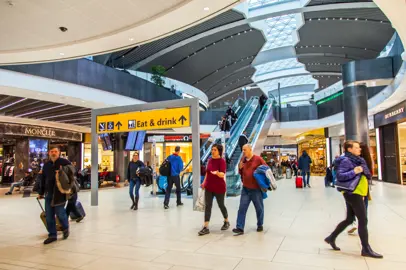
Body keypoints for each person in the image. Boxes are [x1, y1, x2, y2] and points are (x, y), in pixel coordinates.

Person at [324, 140, 383, 259]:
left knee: (350, 219)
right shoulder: (347, 160)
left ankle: (331, 237)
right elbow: (340, 176)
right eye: (356, 148)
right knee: (363, 220)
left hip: (357, 192)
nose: (359, 149)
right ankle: (366, 248)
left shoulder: (357, 159)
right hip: (353, 193)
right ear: (349, 149)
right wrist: (354, 171)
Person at [38, 146, 71, 245]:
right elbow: (43, 179)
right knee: (49, 216)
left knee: (60, 213)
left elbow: (72, 175)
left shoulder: (65, 162)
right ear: (49, 153)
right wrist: (41, 192)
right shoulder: (46, 165)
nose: (53, 153)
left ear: (59, 152)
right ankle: (52, 235)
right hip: (49, 193)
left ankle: (65, 227)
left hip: (60, 193)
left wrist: (62, 172)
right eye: (52, 151)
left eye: (55, 151)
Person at [233, 144, 267, 236]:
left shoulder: (258, 159)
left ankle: (260, 224)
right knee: (242, 208)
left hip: (256, 189)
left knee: (259, 208)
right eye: (242, 150)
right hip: (246, 189)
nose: (243, 151)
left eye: (245, 150)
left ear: (250, 149)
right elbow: (241, 173)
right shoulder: (243, 160)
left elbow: (267, 169)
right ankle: (240, 227)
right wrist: (239, 168)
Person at [198, 144, 230, 236]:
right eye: (212, 149)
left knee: (221, 205)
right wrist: (204, 183)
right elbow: (207, 173)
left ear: (219, 151)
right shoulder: (210, 160)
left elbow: (222, 174)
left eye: (214, 150)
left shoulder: (222, 161)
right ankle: (205, 227)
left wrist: (217, 173)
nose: (212, 151)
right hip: (209, 186)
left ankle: (226, 221)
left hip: (219, 187)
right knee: (208, 206)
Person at [348, 142, 373, 235]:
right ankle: (363, 224)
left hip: (354, 186)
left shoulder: (357, 160)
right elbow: (369, 174)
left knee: (351, 205)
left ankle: (353, 222)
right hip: (364, 187)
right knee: (363, 206)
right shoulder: (368, 160)